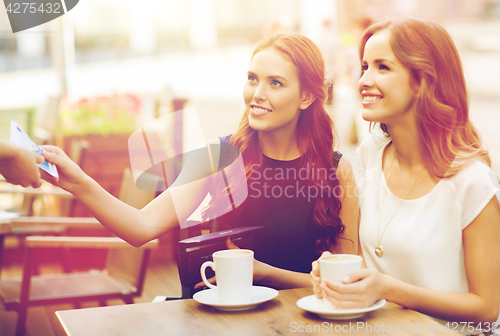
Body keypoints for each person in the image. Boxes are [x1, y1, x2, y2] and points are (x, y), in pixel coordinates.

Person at [41, 33, 359, 289]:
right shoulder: (218, 156)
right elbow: (141, 227)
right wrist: (78, 183)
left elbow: (345, 284)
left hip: (302, 321)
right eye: (252, 78)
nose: (257, 93)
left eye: (275, 83)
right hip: (230, 320)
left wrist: (263, 273)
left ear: (306, 97)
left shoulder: (336, 170)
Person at [311, 18, 500, 330]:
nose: (364, 80)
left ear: (423, 80)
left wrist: (387, 289)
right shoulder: (370, 153)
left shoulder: (472, 181)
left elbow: (487, 307)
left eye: (383, 67)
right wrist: (337, 274)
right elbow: (366, 257)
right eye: (364, 66)